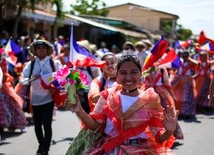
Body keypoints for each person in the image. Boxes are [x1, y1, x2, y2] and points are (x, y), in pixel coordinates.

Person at [66, 54, 178, 154]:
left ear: (141, 74)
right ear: (117, 75)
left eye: (133, 72)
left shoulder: (151, 99)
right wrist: (80, 111)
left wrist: (169, 131)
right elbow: (96, 126)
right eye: (123, 73)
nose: (128, 77)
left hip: (140, 150)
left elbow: (159, 137)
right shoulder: (107, 95)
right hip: (109, 149)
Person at [19, 39, 62, 155]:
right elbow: (22, 80)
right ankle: (41, 144)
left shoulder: (55, 63)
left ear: (48, 50)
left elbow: (62, 77)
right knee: (37, 126)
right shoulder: (30, 64)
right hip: (35, 99)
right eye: (39, 48)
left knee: (47, 125)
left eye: (43, 48)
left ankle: (45, 149)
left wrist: (55, 86)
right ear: (35, 51)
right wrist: (32, 78)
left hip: (49, 98)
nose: (41, 50)